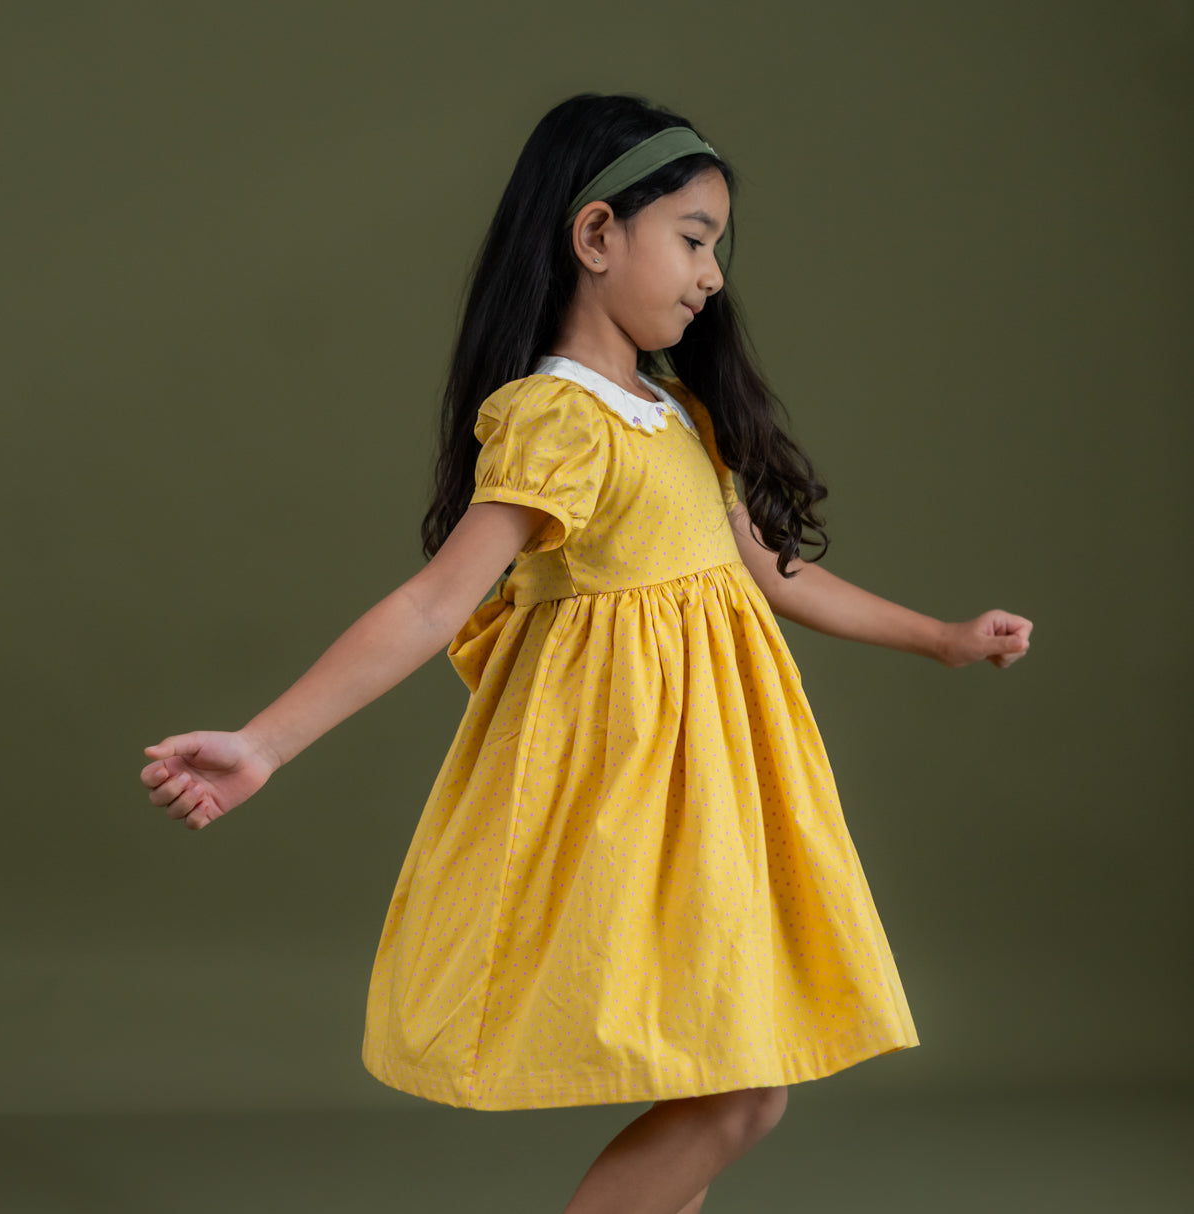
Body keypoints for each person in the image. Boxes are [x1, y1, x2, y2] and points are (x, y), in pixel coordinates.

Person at [140, 92, 1033, 1214]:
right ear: (597, 235)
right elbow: (430, 605)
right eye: (694, 240)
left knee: (718, 1079)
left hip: (719, 795)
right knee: (738, 1092)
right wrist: (263, 742)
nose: (712, 275)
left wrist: (938, 638)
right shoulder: (557, 420)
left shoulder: (672, 411)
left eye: (718, 249)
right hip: (635, 796)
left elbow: (766, 572)